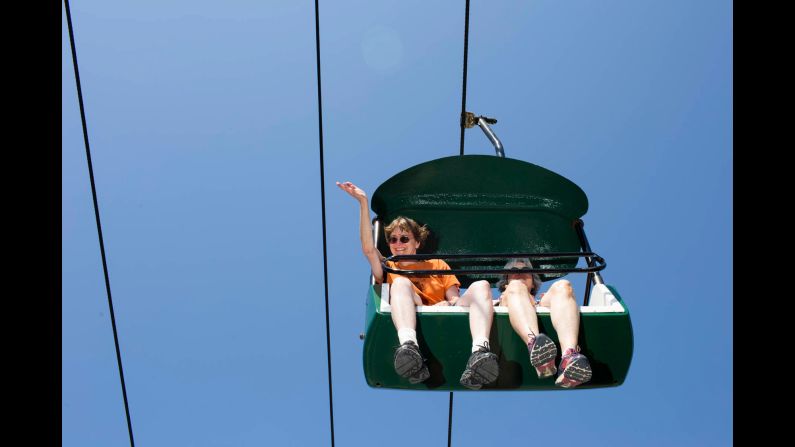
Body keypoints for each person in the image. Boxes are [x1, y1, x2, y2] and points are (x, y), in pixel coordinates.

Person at [337, 181, 499, 389]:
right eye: (393, 240)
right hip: (410, 304)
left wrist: (463, 303)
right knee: (401, 284)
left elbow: (453, 298)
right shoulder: (389, 267)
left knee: (482, 285)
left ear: (417, 243)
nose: (398, 244)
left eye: (404, 238)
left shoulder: (436, 264)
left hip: (443, 308)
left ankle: (479, 351)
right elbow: (369, 250)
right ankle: (409, 345)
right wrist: (362, 203)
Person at [496, 258, 592, 388]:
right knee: (517, 286)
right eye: (513, 271)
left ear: (533, 282)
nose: (519, 273)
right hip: (505, 343)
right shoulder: (494, 302)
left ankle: (568, 357)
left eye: (526, 270)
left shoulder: (543, 302)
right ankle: (535, 346)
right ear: (506, 281)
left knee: (563, 285)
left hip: (542, 308)